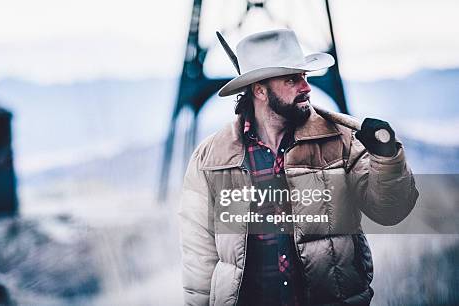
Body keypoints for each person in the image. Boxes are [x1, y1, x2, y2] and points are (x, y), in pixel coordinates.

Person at [178, 29, 418, 306]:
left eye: (305, 77)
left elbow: (391, 211)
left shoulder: (340, 141)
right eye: (292, 79)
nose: (306, 87)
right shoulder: (211, 159)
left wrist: (387, 159)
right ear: (259, 90)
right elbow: (200, 258)